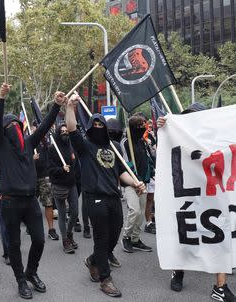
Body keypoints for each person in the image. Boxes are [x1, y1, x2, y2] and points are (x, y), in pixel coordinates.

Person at [65, 93, 145, 298]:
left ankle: (93, 260)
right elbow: (72, 128)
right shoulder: (84, 146)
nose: (99, 128)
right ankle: (105, 279)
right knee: (101, 239)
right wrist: (69, 106)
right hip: (95, 197)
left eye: (102, 125)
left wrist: (135, 181)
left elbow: (121, 172)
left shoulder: (114, 147)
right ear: (91, 127)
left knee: (113, 236)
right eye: (96, 125)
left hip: (113, 197)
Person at [0, 83, 65, 299]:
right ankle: (20, 281)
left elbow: (44, 126)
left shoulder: (28, 143)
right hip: (9, 202)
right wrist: (0, 99)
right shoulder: (0, 145)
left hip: (31, 200)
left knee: (40, 240)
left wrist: (56, 105)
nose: (14, 127)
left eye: (17, 124)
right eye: (10, 126)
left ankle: (31, 272)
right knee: (14, 244)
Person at [157, 102, 235, 302]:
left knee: (219, 237)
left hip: (213, 195)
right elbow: (166, 155)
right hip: (187, 195)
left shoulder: (215, 138)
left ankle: (220, 286)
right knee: (186, 235)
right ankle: (178, 270)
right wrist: (165, 128)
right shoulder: (179, 137)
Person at [120, 114, 154, 253]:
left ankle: (135, 239)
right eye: (138, 126)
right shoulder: (125, 142)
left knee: (140, 213)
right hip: (130, 182)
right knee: (134, 210)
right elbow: (126, 162)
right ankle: (126, 237)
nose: (141, 128)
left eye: (143, 126)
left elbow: (148, 160)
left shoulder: (142, 142)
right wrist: (135, 181)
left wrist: (148, 176)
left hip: (143, 182)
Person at [47, 123, 79, 254]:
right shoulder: (52, 149)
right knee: (61, 213)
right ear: (58, 134)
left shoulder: (71, 146)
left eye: (67, 131)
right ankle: (65, 240)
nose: (65, 133)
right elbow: (50, 169)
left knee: (75, 212)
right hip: (59, 185)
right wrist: (61, 169)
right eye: (62, 131)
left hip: (72, 184)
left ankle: (69, 233)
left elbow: (75, 163)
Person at [31, 121, 59, 241]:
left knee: (48, 203)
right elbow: (21, 159)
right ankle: (30, 226)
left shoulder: (47, 142)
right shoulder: (29, 142)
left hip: (45, 176)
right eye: (36, 127)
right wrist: (31, 158)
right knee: (30, 204)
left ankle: (51, 229)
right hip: (31, 177)